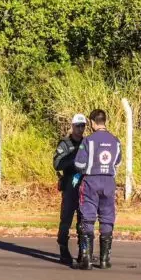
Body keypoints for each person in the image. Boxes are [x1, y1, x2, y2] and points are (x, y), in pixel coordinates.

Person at [72, 109, 122, 269]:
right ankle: (105, 260)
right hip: (109, 181)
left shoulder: (88, 141)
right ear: (104, 121)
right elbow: (118, 162)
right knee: (107, 216)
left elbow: (79, 164)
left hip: (91, 181)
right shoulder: (116, 141)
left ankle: (86, 259)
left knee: (88, 216)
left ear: (93, 122)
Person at [52, 114, 88, 266]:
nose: (80, 129)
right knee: (66, 219)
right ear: (72, 126)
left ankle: (83, 251)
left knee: (84, 219)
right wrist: (75, 157)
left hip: (85, 185)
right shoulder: (65, 143)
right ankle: (63, 248)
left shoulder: (88, 143)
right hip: (70, 185)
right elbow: (57, 163)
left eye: (83, 126)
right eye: (78, 126)